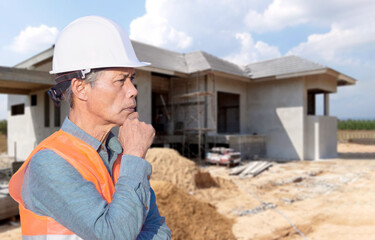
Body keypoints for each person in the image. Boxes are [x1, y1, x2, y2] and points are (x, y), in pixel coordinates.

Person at [9, 16, 171, 240]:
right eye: (121, 80)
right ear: (81, 88)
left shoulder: (121, 156)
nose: (133, 90)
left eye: (132, 79)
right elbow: (114, 235)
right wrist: (135, 155)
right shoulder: (50, 163)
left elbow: (158, 229)